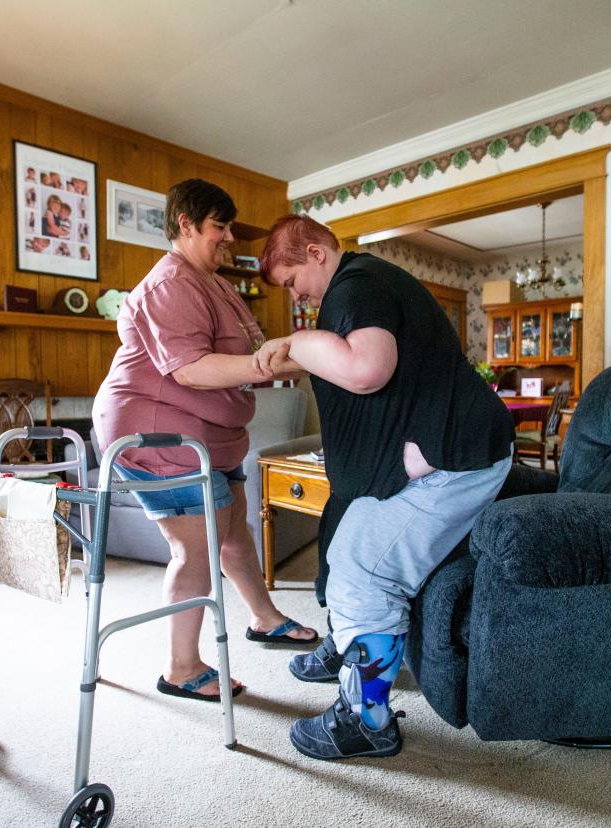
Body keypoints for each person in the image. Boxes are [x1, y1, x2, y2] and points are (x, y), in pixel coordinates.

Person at [254, 215, 514, 760]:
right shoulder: (364, 286)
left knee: (365, 569)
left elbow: (368, 369)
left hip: (455, 456)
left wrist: (298, 342)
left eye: (292, 278)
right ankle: (355, 675)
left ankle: (368, 722)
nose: (295, 293)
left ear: (317, 254)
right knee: (349, 549)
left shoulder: (358, 286)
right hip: (452, 449)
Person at [93, 178, 317, 703]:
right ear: (185, 225)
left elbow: (254, 352)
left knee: (232, 530)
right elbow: (191, 369)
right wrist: (283, 362)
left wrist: (300, 356)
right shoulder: (170, 284)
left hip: (210, 433)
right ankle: (182, 668)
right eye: (219, 226)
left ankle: (264, 619)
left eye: (230, 227)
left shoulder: (214, 282)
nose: (229, 237)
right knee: (194, 548)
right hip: (155, 433)